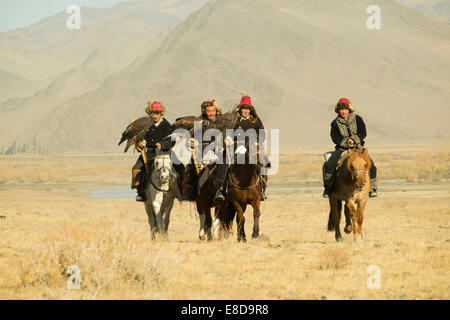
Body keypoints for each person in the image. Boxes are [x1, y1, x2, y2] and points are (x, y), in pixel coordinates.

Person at [216, 92, 268, 202]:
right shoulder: (234, 120)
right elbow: (227, 133)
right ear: (240, 109)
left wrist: (256, 143)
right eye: (244, 109)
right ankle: (221, 189)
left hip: (252, 149)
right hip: (235, 147)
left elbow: (262, 135)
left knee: (264, 162)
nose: (245, 111)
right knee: (224, 163)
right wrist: (226, 142)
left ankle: (262, 189)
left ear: (250, 110)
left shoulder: (256, 120)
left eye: (247, 109)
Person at [323, 98, 378, 198]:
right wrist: (346, 142)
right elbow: (335, 137)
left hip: (358, 148)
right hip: (342, 149)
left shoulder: (358, 119)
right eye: (340, 109)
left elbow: (363, 132)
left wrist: (354, 140)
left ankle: (373, 188)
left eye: (345, 109)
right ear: (338, 110)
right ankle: (328, 189)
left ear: (349, 109)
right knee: (330, 164)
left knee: (372, 165)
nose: (343, 111)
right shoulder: (335, 123)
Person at [131, 100, 172, 202]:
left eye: (157, 113)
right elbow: (138, 138)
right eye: (152, 113)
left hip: (164, 153)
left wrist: (162, 145)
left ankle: (181, 190)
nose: (155, 116)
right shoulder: (144, 125)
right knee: (136, 169)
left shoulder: (167, 126)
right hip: (148, 152)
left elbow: (171, 141)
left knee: (180, 167)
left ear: (161, 113)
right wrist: (139, 144)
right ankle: (140, 192)